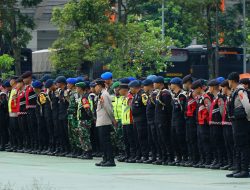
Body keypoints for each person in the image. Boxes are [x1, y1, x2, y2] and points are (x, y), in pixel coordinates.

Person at [226, 72, 250, 178]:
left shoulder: (240, 91)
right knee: (237, 146)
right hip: (236, 123)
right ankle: (238, 168)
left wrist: (248, 119)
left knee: (243, 146)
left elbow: (248, 106)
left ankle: (244, 170)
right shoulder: (235, 91)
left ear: (231, 81)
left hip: (242, 123)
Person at [95, 78, 116, 167]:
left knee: (106, 141)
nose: (95, 88)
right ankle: (105, 159)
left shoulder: (105, 94)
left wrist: (113, 119)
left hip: (105, 121)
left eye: (96, 86)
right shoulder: (101, 94)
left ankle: (110, 160)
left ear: (99, 86)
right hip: (101, 121)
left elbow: (108, 108)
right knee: (102, 142)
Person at [192, 79, 212, 168]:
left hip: (204, 123)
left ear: (199, 88)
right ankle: (203, 159)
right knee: (200, 142)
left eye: (195, 89)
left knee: (205, 142)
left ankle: (208, 160)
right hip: (199, 123)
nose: (194, 91)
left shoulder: (205, 97)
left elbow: (210, 110)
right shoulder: (200, 98)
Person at [154, 76, 173, 165]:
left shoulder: (165, 94)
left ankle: (169, 157)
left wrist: (166, 120)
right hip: (159, 119)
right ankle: (163, 156)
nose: (153, 84)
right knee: (160, 139)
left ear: (160, 84)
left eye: (155, 83)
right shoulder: (159, 93)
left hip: (164, 120)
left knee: (166, 139)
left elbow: (168, 108)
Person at [129, 80, 149, 163]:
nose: (130, 89)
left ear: (135, 87)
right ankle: (138, 155)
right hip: (136, 120)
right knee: (137, 138)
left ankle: (145, 155)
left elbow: (146, 107)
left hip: (142, 120)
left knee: (142, 138)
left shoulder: (143, 95)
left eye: (131, 88)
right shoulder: (136, 95)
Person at [170, 77, 188, 166]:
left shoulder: (182, 95)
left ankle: (185, 157)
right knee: (174, 140)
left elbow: (184, 109)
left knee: (181, 139)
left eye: (171, 83)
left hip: (180, 121)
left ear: (175, 84)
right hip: (174, 120)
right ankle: (179, 157)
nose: (170, 85)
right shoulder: (174, 95)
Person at [118, 78, 136, 163]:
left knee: (131, 140)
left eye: (119, 90)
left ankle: (133, 156)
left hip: (130, 121)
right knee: (126, 140)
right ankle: (127, 155)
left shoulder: (130, 98)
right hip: (125, 122)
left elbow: (132, 110)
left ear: (124, 90)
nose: (118, 91)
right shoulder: (124, 98)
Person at [182, 74, 199, 167]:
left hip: (193, 119)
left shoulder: (194, 93)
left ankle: (195, 159)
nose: (183, 85)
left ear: (188, 83)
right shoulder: (189, 93)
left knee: (193, 139)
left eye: (184, 83)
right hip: (188, 119)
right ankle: (192, 158)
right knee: (189, 139)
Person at [75, 82, 93, 159]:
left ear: (80, 88)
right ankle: (85, 151)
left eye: (77, 88)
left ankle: (88, 152)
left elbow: (87, 109)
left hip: (84, 120)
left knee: (85, 136)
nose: (76, 89)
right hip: (82, 119)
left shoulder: (84, 97)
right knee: (82, 136)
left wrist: (89, 119)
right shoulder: (82, 97)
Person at [22, 71, 38, 153]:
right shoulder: (27, 87)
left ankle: (36, 146)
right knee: (30, 128)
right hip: (28, 110)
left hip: (34, 110)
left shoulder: (34, 85)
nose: (23, 80)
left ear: (29, 78)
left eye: (25, 78)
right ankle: (32, 145)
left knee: (34, 128)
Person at [143, 77, 158, 164]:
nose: (144, 88)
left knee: (155, 139)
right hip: (149, 121)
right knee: (150, 140)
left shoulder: (154, 95)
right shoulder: (150, 95)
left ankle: (157, 156)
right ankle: (153, 156)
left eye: (145, 86)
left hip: (153, 120)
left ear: (149, 86)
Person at [55, 76, 70, 156]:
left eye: (58, 82)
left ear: (62, 83)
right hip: (60, 114)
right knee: (61, 133)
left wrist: (66, 96)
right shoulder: (60, 91)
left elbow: (68, 102)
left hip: (65, 114)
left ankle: (68, 149)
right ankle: (63, 148)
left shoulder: (66, 91)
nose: (56, 84)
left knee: (66, 133)